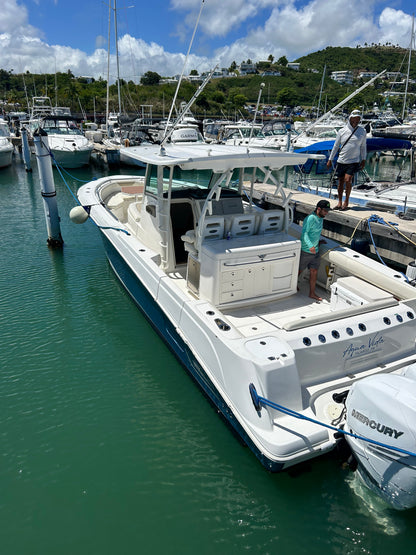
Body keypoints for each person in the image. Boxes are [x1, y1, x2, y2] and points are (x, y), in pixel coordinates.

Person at [326, 110, 366, 210]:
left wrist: (363, 159)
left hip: (354, 161)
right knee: (340, 182)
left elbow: (363, 147)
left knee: (348, 180)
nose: (356, 121)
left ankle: (346, 201)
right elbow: (335, 146)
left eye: (358, 119)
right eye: (354, 118)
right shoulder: (342, 131)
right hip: (341, 161)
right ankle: (339, 202)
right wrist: (330, 159)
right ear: (350, 118)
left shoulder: (362, 131)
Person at [299, 199, 330, 301]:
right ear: (319, 209)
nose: (327, 212)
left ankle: (312, 293)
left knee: (314, 271)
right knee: (299, 270)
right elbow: (305, 233)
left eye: (327, 211)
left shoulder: (321, 218)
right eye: (325, 210)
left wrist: (318, 242)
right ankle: (291, 286)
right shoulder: (310, 218)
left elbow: (314, 233)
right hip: (306, 251)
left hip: (315, 251)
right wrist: (310, 246)